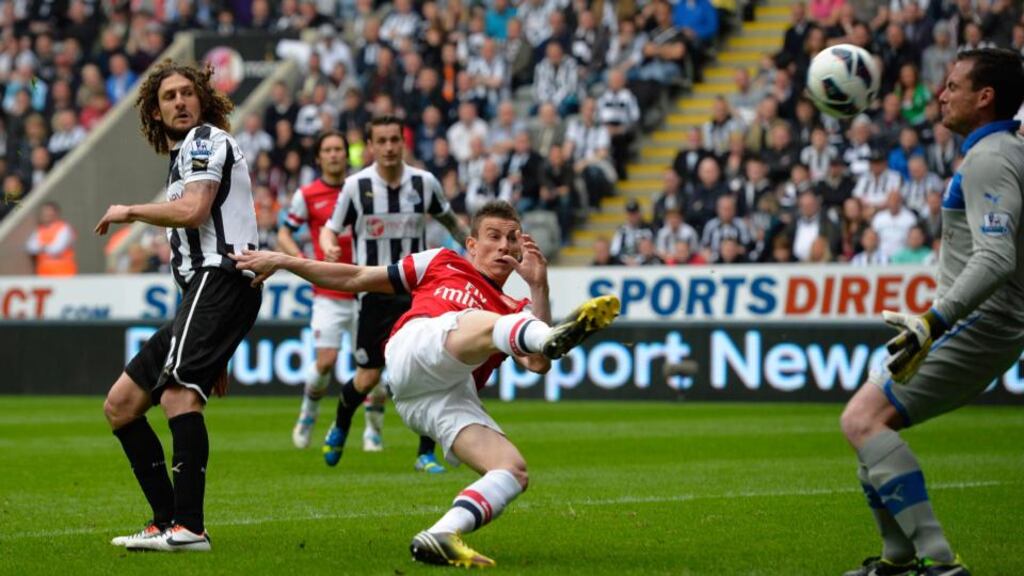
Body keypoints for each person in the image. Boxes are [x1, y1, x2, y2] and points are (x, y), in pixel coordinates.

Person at [232, 200, 620, 567]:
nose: (504, 245)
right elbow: (356, 276)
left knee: (511, 470)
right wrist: (284, 260)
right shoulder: (442, 261)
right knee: (486, 323)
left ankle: (441, 535)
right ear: (471, 243)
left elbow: (537, 363)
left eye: (513, 238)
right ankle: (551, 334)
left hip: (438, 395)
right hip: (415, 346)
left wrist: (539, 287)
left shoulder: (514, 308)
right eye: (494, 236)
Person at [840, 49, 1024, 576]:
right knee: (872, 421)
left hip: (980, 319)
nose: (941, 94)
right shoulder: (1004, 151)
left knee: (860, 420)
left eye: (952, 85)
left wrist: (934, 320)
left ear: (985, 97)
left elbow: (995, 255)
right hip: (986, 319)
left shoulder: (990, 158)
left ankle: (939, 562)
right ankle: (898, 558)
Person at [94, 60, 262, 552]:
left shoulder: (205, 140)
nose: (180, 102)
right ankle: (166, 521)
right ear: (154, 110)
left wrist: (130, 211)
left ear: (203, 99)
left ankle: (190, 529)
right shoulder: (182, 155)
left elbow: (195, 211)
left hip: (224, 278)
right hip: (204, 292)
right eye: (169, 96)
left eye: (188, 93)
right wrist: (215, 347)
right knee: (121, 406)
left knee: (177, 394)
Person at [319, 115, 471, 473]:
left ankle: (425, 453)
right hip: (372, 291)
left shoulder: (424, 183)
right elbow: (330, 229)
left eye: (394, 140)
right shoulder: (357, 187)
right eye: (381, 141)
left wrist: (474, 249)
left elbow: (453, 223)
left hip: (416, 289)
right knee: (368, 377)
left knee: (430, 366)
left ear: (403, 143)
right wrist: (328, 247)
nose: (388, 147)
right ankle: (341, 423)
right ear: (371, 146)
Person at [277, 131, 386, 451]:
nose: (335, 154)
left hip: (367, 290)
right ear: (319, 158)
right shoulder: (307, 194)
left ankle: (373, 431)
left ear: (346, 155)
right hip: (329, 291)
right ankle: (308, 415)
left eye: (339, 149)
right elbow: (285, 231)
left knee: (372, 367)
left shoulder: (364, 190)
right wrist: (300, 260)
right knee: (325, 361)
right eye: (328, 150)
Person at [25, 201, 77, 276]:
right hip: (43, 273)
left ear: (56, 214)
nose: (46, 215)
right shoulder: (39, 230)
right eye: (44, 212)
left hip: (64, 273)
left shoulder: (64, 228)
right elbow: (30, 247)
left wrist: (41, 247)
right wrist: (45, 247)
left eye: (49, 212)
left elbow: (56, 249)